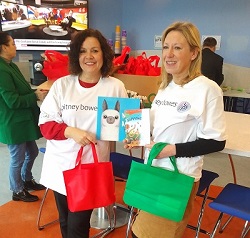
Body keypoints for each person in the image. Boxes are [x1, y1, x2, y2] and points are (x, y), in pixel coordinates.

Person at [127, 22, 227, 238]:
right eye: (165, 47)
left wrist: (169, 150)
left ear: (194, 53)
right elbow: (158, 128)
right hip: (153, 171)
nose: (168, 54)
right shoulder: (165, 87)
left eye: (177, 48)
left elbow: (216, 141)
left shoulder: (208, 89)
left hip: (177, 177)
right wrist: (134, 133)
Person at [38, 28, 128, 238]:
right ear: (75, 56)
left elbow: (126, 126)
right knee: (65, 221)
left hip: (90, 168)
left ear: (103, 55)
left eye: (95, 51)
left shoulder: (115, 87)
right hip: (61, 165)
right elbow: (45, 125)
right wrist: (70, 131)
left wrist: (134, 134)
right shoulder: (62, 85)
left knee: (78, 225)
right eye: (83, 51)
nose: (89, 56)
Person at [0, 32, 47, 202]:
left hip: (22, 121)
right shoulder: (2, 69)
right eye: (12, 44)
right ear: (3, 47)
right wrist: (35, 96)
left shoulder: (9, 65)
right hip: (13, 123)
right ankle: (17, 190)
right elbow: (12, 101)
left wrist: (36, 92)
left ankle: (26, 180)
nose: (15, 46)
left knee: (32, 151)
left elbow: (22, 89)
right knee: (17, 158)